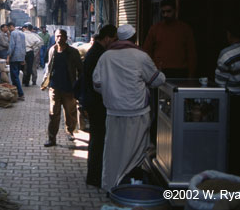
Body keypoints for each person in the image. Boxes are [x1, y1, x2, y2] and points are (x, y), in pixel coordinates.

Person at [93, 24, 166, 192]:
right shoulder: (141, 57)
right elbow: (158, 80)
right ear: (134, 39)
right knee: (135, 152)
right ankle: (128, 188)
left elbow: (97, 84)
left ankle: (111, 186)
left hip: (113, 112)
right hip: (137, 113)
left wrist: (112, 91)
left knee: (113, 150)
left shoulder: (106, 57)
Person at [214, 20, 240, 179]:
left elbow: (220, 83)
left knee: (232, 137)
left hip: (233, 100)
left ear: (229, 34)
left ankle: (232, 172)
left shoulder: (226, 55)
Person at [77, 25, 117, 188]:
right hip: (96, 103)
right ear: (107, 38)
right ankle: (94, 176)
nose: (114, 44)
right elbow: (97, 82)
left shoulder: (96, 52)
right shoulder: (98, 54)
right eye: (114, 40)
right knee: (98, 139)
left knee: (97, 138)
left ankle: (95, 175)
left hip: (93, 102)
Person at [42, 29, 83, 147]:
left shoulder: (73, 52)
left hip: (69, 88)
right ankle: (52, 138)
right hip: (54, 88)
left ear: (66, 37)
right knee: (53, 114)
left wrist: (78, 85)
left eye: (62, 36)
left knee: (70, 112)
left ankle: (70, 131)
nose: (59, 38)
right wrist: (45, 82)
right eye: (57, 36)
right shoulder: (52, 50)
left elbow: (81, 69)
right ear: (55, 37)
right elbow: (49, 67)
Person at [143, 0, 197, 78]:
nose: (165, 15)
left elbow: (191, 53)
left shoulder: (185, 29)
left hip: (180, 71)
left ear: (175, 10)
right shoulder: (155, 29)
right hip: (159, 70)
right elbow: (147, 50)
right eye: (163, 12)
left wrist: (191, 74)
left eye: (168, 11)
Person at [6, 22, 26, 101]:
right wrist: (23, 58)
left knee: (14, 76)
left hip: (14, 57)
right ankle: (16, 93)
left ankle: (20, 93)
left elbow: (12, 46)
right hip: (20, 56)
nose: (8, 30)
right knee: (16, 75)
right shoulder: (22, 33)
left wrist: (8, 57)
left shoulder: (13, 33)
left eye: (8, 28)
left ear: (11, 27)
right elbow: (24, 46)